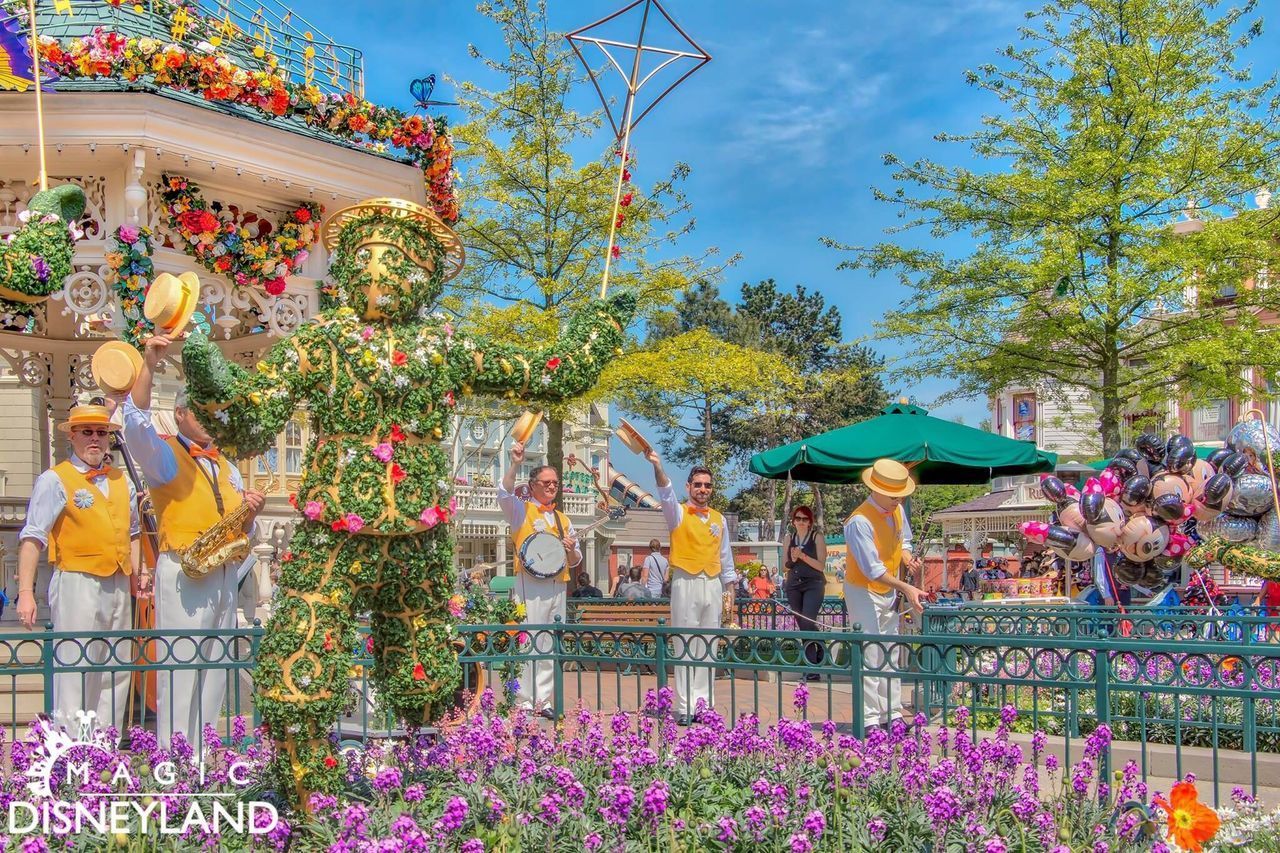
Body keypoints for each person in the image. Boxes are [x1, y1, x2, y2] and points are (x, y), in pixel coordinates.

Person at [119, 334, 265, 749]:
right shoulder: (166, 456)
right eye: (201, 411)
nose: (209, 418)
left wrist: (250, 516)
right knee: (180, 667)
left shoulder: (227, 467)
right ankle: (174, 762)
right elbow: (134, 423)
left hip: (222, 573)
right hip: (184, 568)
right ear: (180, 413)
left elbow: (245, 534)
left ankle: (201, 759)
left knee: (216, 667)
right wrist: (149, 364)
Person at [16, 403, 142, 739]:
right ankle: (71, 748)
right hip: (77, 579)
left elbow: (132, 533)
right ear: (72, 435)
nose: (95, 439)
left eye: (101, 432)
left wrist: (137, 578)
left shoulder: (121, 481)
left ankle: (105, 747)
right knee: (76, 665)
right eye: (87, 431)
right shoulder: (54, 479)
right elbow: (33, 536)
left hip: (117, 580)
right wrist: (26, 593)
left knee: (115, 668)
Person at [644, 450, 737, 725]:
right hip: (686, 580)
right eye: (698, 484)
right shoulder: (678, 513)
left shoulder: (719, 519)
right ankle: (684, 706)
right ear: (689, 487)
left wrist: (730, 591)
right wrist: (658, 466)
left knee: (708, 646)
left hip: (712, 583)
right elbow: (665, 491)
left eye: (707, 485)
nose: (703, 489)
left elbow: (726, 558)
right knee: (684, 643)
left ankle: (704, 704)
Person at [499, 440, 581, 720]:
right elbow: (503, 493)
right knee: (528, 639)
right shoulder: (521, 510)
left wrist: (571, 551)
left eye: (555, 483)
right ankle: (523, 700)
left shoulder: (562, 519)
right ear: (533, 485)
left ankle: (543, 700)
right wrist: (514, 463)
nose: (551, 487)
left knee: (549, 642)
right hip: (530, 583)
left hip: (558, 584)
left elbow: (576, 560)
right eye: (546, 482)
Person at [843, 459, 926, 732]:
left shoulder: (898, 511)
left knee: (890, 650)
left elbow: (904, 542)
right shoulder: (859, 521)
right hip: (863, 589)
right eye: (893, 495)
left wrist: (908, 559)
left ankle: (891, 712)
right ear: (875, 489)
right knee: (870, 652)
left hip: (888, 590)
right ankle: (868, 718)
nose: (898, 499)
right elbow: (871, 569)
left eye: (901, 494)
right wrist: (907, 587)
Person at [783, 505, 827, 680]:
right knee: (802, 624)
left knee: (808, 620)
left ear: (810, 522)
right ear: (793, 521)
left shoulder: (817, 537)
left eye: (805, 519)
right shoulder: (789, 538)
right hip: (794, 584)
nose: (801, 522)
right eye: (798, 519)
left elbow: (821, 565)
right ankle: (812, 665)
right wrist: (792, 560)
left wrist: (803, 557)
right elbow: (784, 565)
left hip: (813, 584)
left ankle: (816, 658)